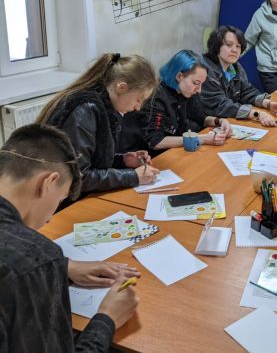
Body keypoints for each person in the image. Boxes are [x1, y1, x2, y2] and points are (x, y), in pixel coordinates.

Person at [0, 124, 140, 352]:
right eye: (59, 200)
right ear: (47, 183)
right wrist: (107, 320)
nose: (49, 219)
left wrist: (64, 268)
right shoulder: (36, 257)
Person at [37, 53, 160, 202]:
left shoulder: (103, 105)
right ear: (121, 87)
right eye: (139, 100)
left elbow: (93, 159)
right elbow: (79, 177)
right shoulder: (85, 110)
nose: (138, 107)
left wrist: (123, 161)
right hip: (58, 202)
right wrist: (132, 176)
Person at [120, 49, 232, 155]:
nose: (199, 90)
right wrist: (201, 139)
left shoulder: (186, 92)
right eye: (196, 83)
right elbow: (155, 141)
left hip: (174, 151)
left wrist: (220, 121)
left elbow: (200, 118)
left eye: (201, 84)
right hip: (149, 157)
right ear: (179, 76)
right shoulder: (157, 97)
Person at [200, 26, 277, 127]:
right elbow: (220, 105)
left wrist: (268, 104)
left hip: (227, 122)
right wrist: (255, 114)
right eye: (229, 45)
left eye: (238, 46)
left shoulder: (234, 67)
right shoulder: (205, 70)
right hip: (204, 127)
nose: (234, 50)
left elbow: (246, 91)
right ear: (216, 45)